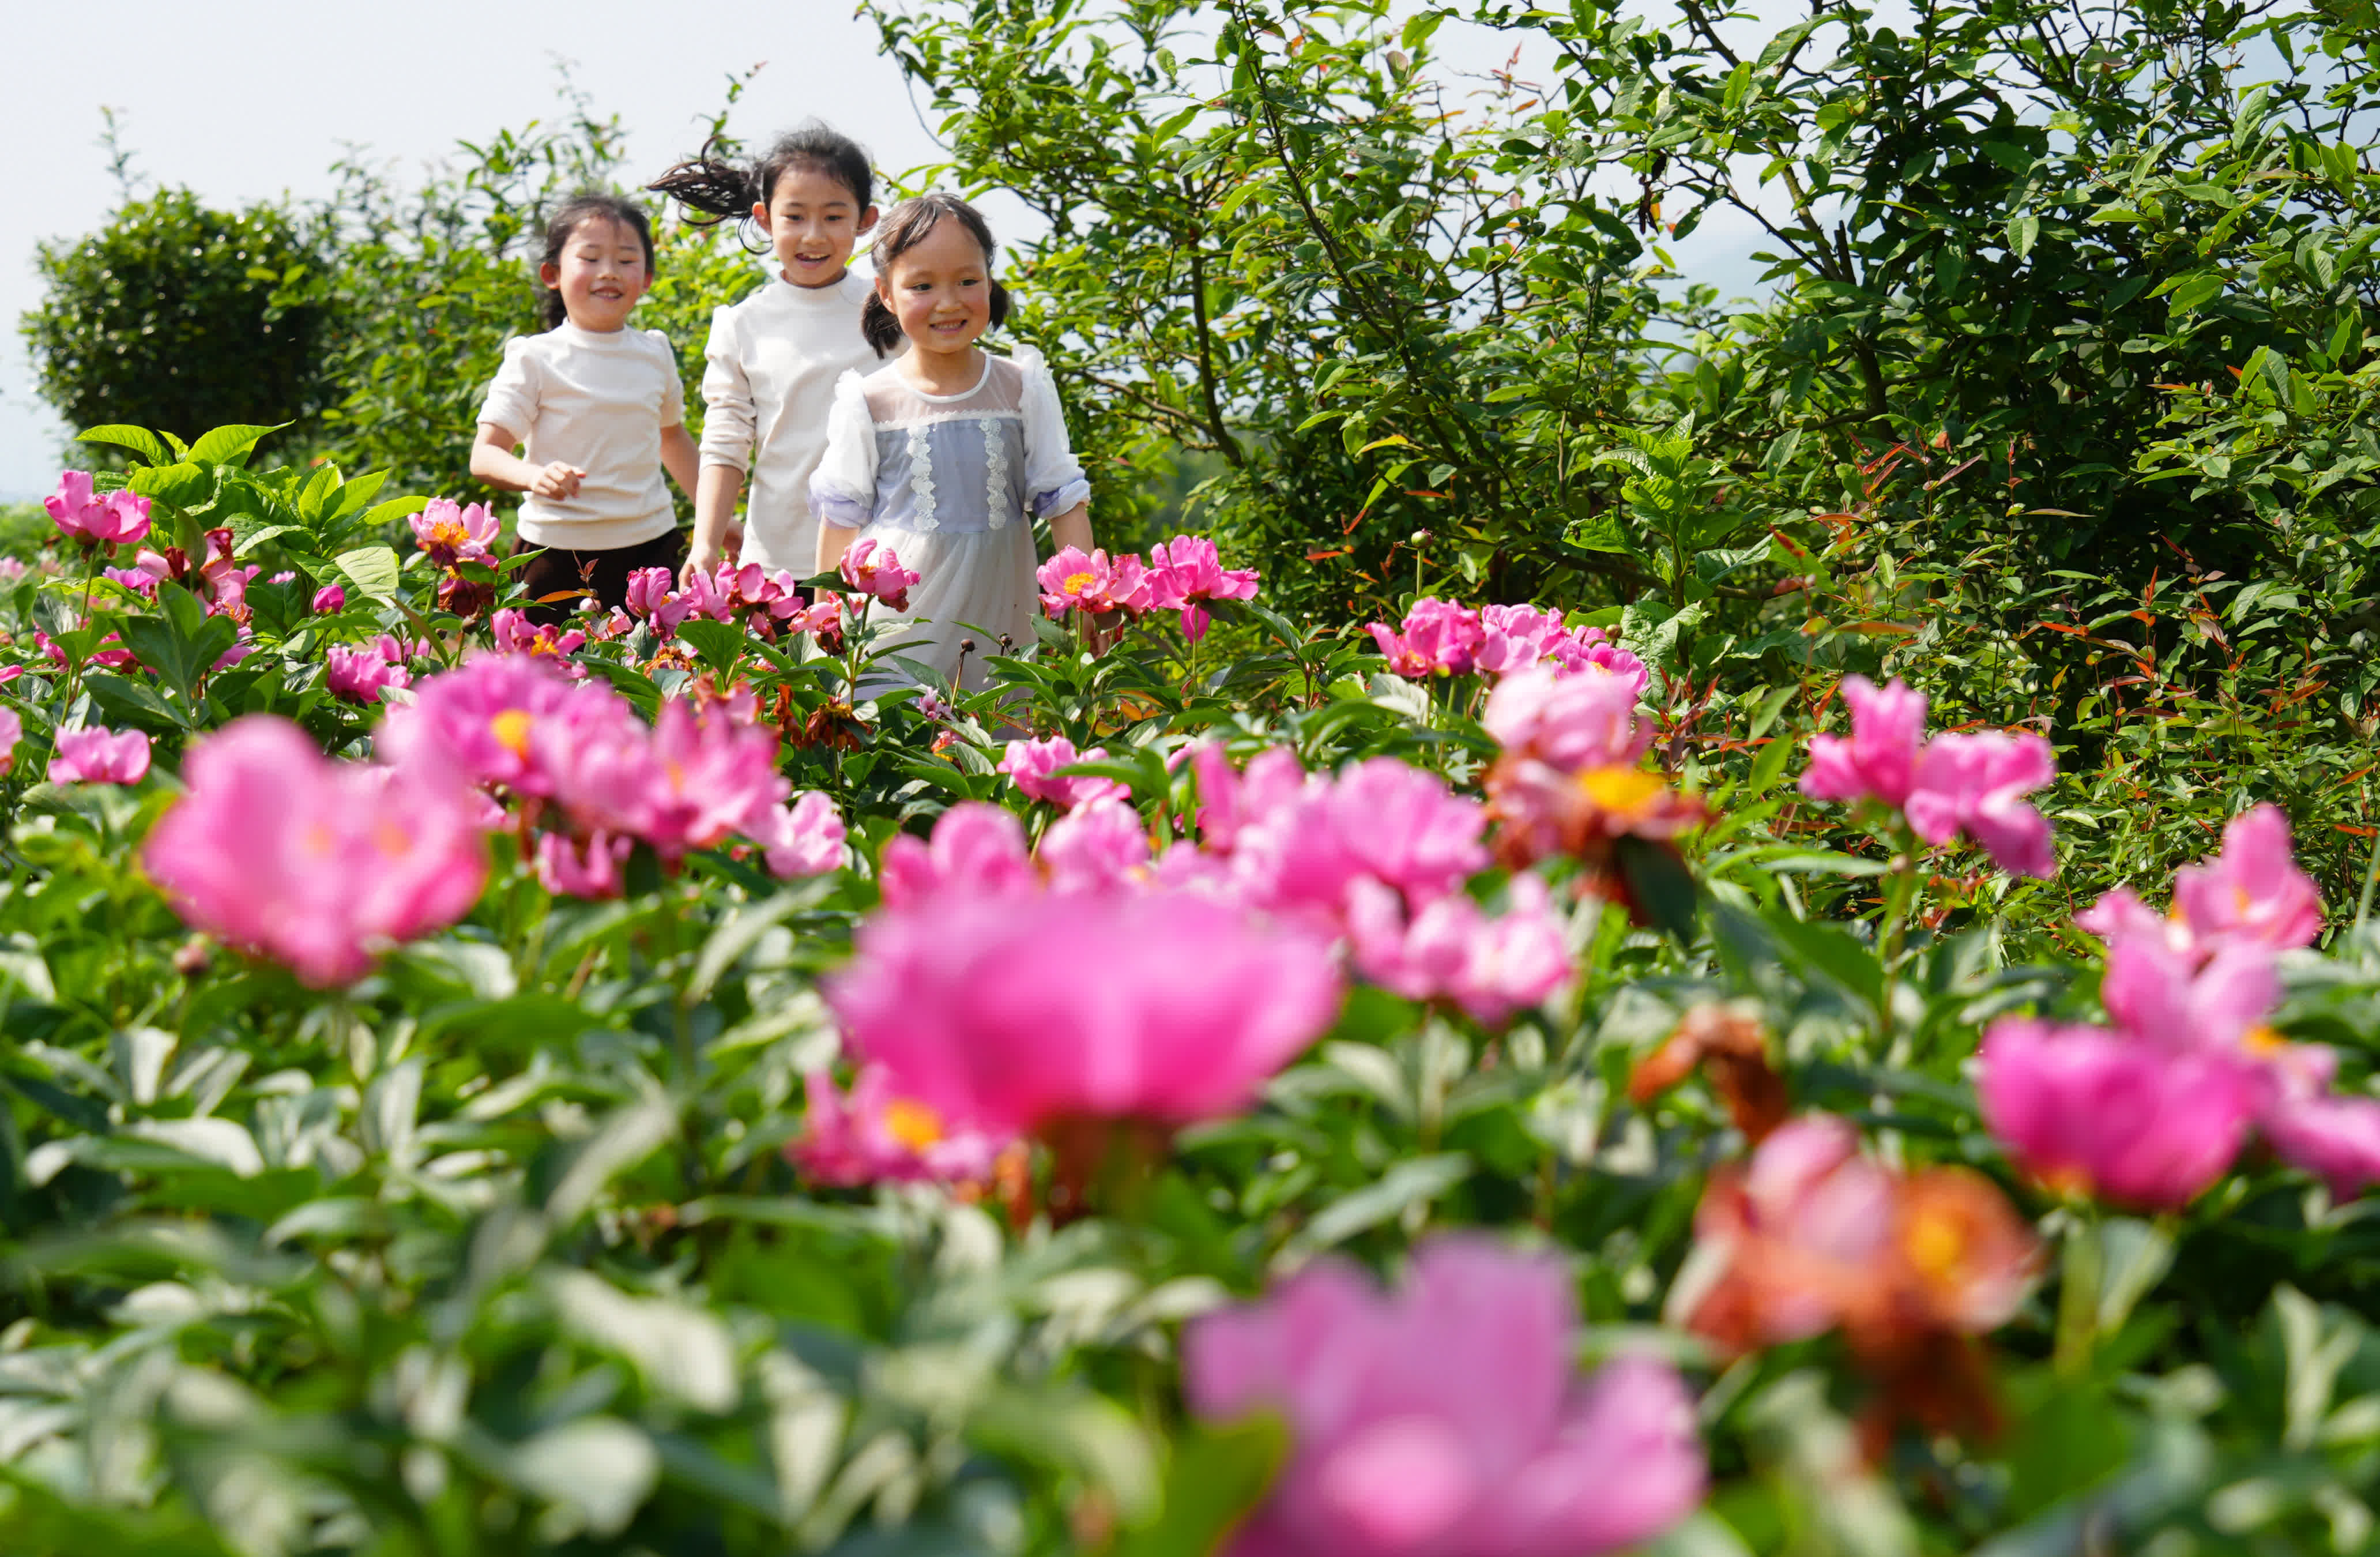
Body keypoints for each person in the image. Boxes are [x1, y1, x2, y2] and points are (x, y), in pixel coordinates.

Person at [808, 195, 1095, 691]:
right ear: (887, 294)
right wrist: (825, 628)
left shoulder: (1021, 386)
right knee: (893, 746)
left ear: (989, 280)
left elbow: (1064, 500)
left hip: (1001, 613)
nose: (948, 301)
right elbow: (841, 520)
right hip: (898, 624)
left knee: (998, 744)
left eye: (968, 281)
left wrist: (1088, 603)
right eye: (922, 286)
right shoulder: (869, 400)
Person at [647, 125, 885, 582]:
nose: (813, 236)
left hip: (883, 557)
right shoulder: (743, 324)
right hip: (778, 564)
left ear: (865, 219)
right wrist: (706, 544)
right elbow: (725, 442)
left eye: (834, 217)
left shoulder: (889, 310)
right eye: (794, 217)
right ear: (765, 218)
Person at [469, 193, 696, 620]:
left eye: (626, 260)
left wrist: (718, 520)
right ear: (552, 274)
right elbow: (485, 456)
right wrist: (534, 476)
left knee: (655, 681)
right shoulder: (534, 357)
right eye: (590, 258)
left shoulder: (655, 351)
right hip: (555, 555)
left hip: (652, 550)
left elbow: (672, 437)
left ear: (646, 278)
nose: (609, 272)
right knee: (546, 681)